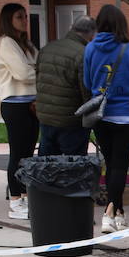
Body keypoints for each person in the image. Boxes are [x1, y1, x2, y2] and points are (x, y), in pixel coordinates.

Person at [83, 5, 129, 234]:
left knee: (111, 164)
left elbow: (86, 81)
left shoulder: (91, 48)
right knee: (120, 166)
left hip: (101, 114)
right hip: (126, 115)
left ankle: (119, 213)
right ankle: (109, 214)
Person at [0, 2, 38, 220]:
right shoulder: (6, 43)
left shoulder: (26, 44)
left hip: (31, 104)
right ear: (9, 19)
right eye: (19, 17)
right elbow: (23, 73)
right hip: (14, 104)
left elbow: (38, 66)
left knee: (28, 154)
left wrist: (35, 71)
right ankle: (15, 199)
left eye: (26, 16)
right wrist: (36, 71)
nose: (24, 20)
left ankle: (25, 194)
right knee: (18, 153)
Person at [35, 16, 95, 157]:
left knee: (47, 165)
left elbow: (38, 79)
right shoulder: (83, 53)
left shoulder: (47, 48)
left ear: (72, 28)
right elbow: (85, 90)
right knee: (74, 167)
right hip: (71, 121)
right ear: (92, 34)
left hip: (46, 117)